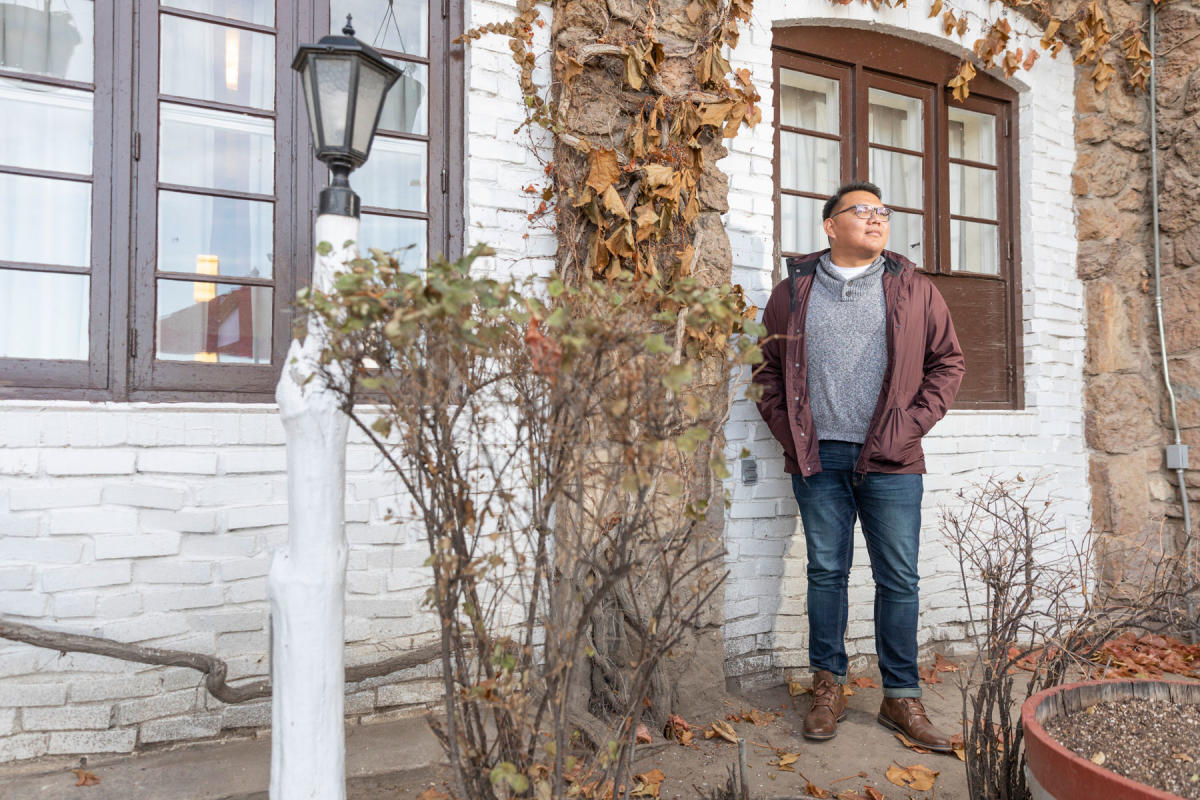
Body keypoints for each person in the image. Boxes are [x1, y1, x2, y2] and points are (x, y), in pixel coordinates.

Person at [753, 181, 965, 750]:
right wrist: (789, 434)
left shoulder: (913, 288)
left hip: (892, 459)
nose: (877, 218)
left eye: (883, 211)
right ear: (830, 225)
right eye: (862, 210)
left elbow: (948, 363)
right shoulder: (793, 292)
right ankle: (829, 686)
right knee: (826, 574)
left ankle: (901, 695)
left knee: (899, 578)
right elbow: (766, 371)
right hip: (819, 458)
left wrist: (910, 426)